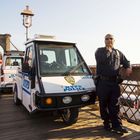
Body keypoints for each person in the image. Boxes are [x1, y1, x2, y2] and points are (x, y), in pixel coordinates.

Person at [95, 34, 132, 134]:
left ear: (114, 40)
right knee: (103, 104)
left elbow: (126, 61)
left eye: (111, 38)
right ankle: (107, 123)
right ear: (104, 41)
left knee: (115, 104)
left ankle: (117, 126)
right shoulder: (99, 51)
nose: (109, 40)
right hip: (102, 82)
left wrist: (128, 67)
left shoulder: (119, 53)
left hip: (114, 83)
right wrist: (108, 51)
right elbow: (101, 60)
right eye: (107, 39)